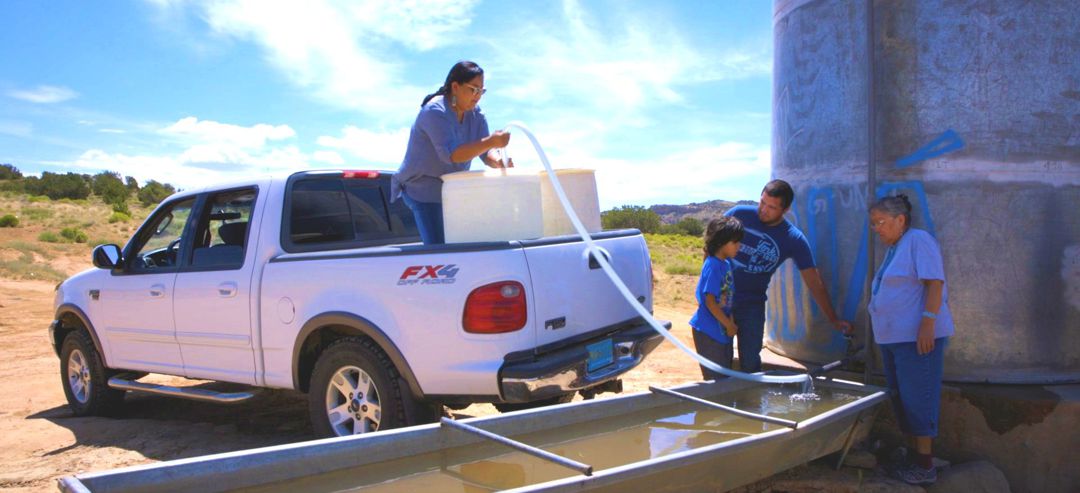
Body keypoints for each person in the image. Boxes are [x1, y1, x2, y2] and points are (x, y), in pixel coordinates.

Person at [868, 194, 953, 486]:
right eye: (873, 224)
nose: (876, 229)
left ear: (900, 220)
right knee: (902, 398)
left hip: (916, 339)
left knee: (919, 398)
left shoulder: (918, 240)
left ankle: (925, 466)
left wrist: (927, 324)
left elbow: (934, 282)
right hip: (895, 339)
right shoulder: (897, 247)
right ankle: (915, 459)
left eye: (880, 222)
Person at [724, 179, 852, 373]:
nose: (763, 210)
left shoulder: (792, 238)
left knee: (750, 364)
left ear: (785, 209)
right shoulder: (738, 214)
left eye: (772, 207)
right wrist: (709, 290)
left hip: (752, 306)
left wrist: (832, 318)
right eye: (762, 203)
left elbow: (813, 281)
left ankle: (749, 403)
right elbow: (711, 248)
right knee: (718, 363)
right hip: (722, 301)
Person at [391, 60, 512, 244]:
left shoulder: (476, 114)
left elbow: (486, 152)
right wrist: (491, 141)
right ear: (455, 87)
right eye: (474, 89)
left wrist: (499, 162)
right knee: (440, 252)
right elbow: (452, 155)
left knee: (461, 247)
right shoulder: (435, 111)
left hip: (453, 191)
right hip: (422, 188)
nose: (478, 96)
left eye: (481, 91)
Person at [690, 217, 744, 381]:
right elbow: (710, 301)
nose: (739, 246)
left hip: (722, 331)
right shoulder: (713, 265)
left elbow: (727, 297)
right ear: (721, 242)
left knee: (724, 379)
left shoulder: (725, 264)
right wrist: (728, 324)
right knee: (716, 382)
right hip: (709, 332)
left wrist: (730, 322)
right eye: (735, 242)